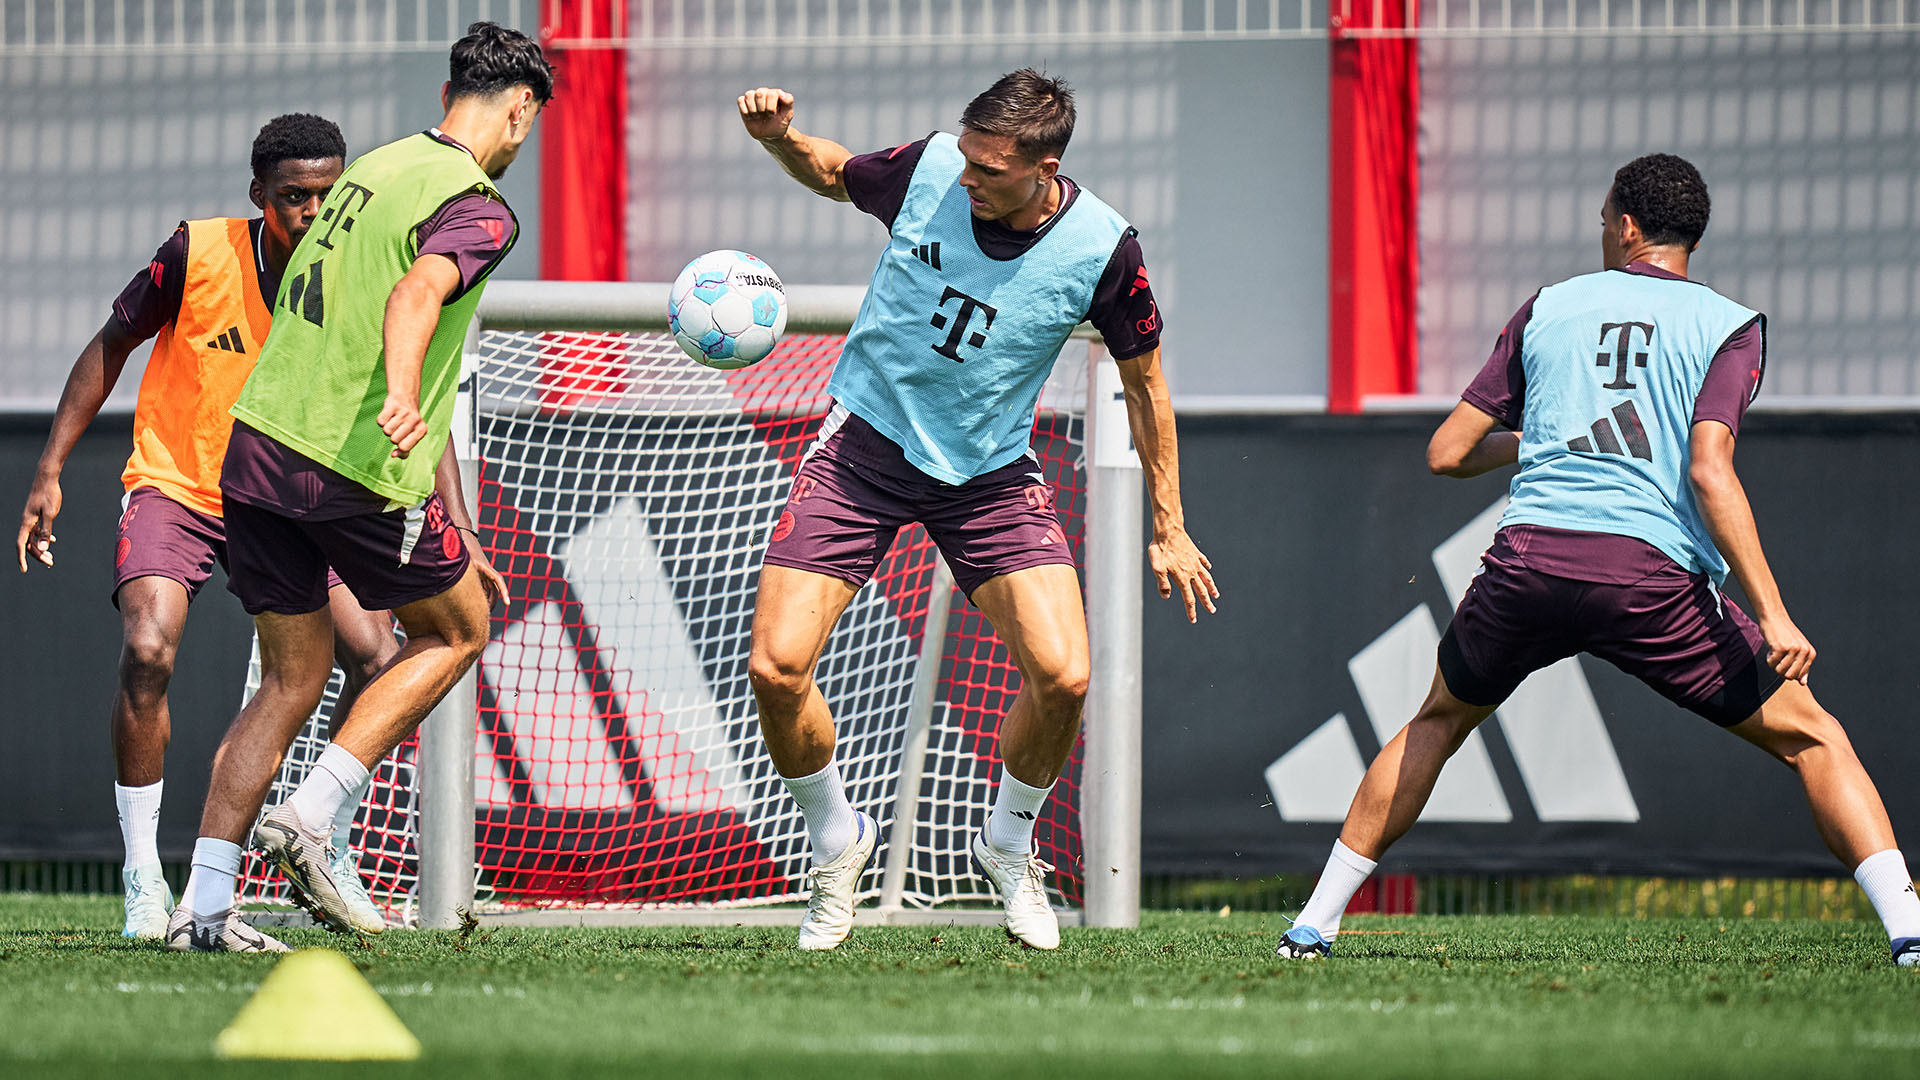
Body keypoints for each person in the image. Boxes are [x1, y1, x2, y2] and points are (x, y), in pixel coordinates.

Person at [1277, 154, 1920, 968]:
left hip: (1529, 564)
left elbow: (1447, 453)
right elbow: (1709, 470)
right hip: (1645, 579)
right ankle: (1909, 933)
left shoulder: (1550, 306)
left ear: (1625, 225)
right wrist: (1775, 612)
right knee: (1815, 737)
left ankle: (1312, 924)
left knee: (1437, 722)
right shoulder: (1732, 325)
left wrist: (1546, 443)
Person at [737, 70, 1218, 951]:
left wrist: (1170, 525)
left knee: (1065, 677)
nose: (967, 181)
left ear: (1045, 165)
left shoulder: (1104, 249)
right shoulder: (927, 170)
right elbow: (835, 170)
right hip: (864, 449)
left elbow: (1146, 387)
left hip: (988, 474)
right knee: (776, 668)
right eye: (966, 161)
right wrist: (778, 139)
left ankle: (1007, 842)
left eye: (990, 171)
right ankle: (838, 843)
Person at [162, 21, 549, 952]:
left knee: (292, 678)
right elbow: (417, 294)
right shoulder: (480, 201)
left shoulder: (374, 166)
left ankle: (202, 910)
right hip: (349, 459)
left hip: (255, 445)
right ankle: (315, 810)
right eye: (526, 122)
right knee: (458, 630)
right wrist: (407, 397)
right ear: (520, 108)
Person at [14, 114, 404, 943]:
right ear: (259, 195)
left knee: (380, 655)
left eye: (329, 196)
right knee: (149, 649)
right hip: (180, 487)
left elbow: (402, 389)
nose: (312, 211)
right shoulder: (195, 254)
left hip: (297, 500)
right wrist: (48, 472)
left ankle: (319, 834)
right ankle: (143, 877)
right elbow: (109, 346)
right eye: (294, 196)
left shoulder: (362, 278)